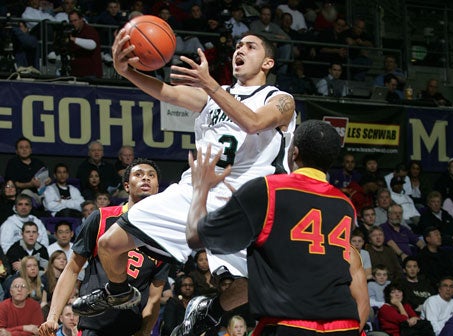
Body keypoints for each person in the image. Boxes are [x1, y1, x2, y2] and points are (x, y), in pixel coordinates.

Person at [71, 32, 297, 326]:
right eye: (238, 45)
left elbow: (253, 123)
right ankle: (117, 292)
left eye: (250, 46)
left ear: (268, 62)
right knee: (110, 243)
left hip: (246, 199)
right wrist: (127, 71)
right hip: (196, 190)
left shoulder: (279, 99)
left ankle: (212, 312)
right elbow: (166, 92)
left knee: (261, 279)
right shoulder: (211, 96)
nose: (240, 49)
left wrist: (211, 85)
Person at [184, 120, 369, 335]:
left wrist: (200, 188)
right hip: (344, 325)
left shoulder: (269, 189)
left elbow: (197, 236)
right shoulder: (345, 205)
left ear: (293, 152)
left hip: (289, 323)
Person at [38, 158, 169, 336]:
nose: (145, 178)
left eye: (151, 176)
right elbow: (72, 269)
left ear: (157, 188)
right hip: (95, 326)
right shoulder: (101, 218)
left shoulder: (165, 236)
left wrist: (145, 331)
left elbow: (154, 298)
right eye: (138, 174)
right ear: (127, 186)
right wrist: (53, 317)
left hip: (131, 329)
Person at [4, 137, 51, 206]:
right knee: (26, 193)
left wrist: (48, 180)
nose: (24, 149)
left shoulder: (38, 163)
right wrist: (30, 184)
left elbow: (46, 177)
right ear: (16, 151)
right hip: (24, 195)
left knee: (51, 190)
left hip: (42, 192)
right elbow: (13, 184)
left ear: (31, 150)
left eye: (27, 147)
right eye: (21, 147)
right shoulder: (13, 163)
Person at [66, 9, 103, 78]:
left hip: (90, 73)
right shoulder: (73, 32)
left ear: (81, 19)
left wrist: (73, 39)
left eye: (75, 20)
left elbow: (92, 45)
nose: (73, 23)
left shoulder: (90, 30)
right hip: (76, 73)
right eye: (71, 21)